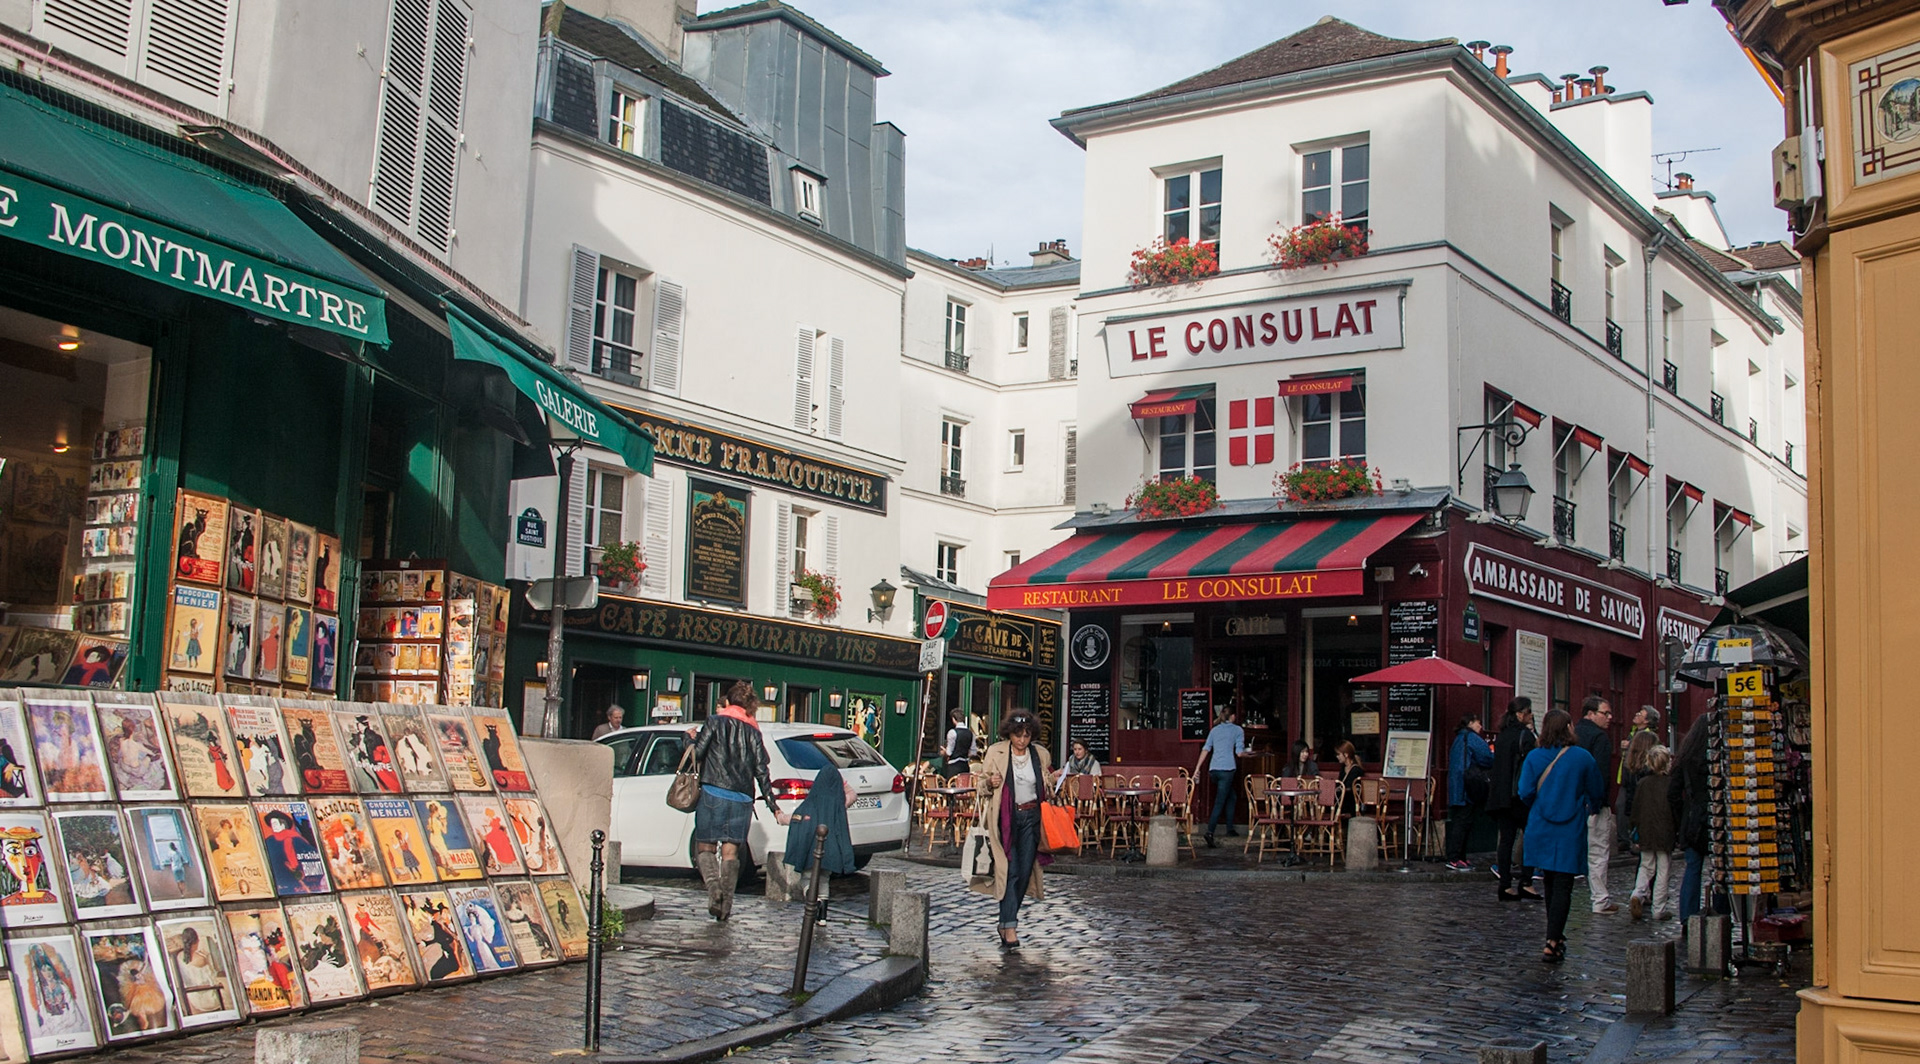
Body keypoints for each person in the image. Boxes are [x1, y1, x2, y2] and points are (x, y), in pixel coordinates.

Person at [689, 682, 790, 921]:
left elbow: (697, 753)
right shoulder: (754, 731)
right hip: (742, 799)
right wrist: (773, 805)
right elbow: (762, 771)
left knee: (705, 847)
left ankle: (714, 891)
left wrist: (688, 739)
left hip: (714, 792)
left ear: (728, 702)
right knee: (731, 853)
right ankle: (726, 906)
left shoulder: (714, 722)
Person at [1518, 709, 1607, 964]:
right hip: (1570, 825)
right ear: (1568, 727)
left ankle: (1553, 936)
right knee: (1563, 884)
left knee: (1548, 880)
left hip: (1541, 823)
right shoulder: (1582, 758)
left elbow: (1524, 791)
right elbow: (1596, 791)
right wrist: (1589, 805)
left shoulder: (1535, 757)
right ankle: (1553, 939)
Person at [971, 710, 1053, 948]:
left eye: (1027, 735)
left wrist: (1051, 780)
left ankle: (1005, 921)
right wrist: (989, 783)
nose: (1022, 740)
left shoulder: (1040, 755)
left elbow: (1045, 783)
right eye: (1018, 735)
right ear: (1009, 733)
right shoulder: (996, 752)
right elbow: (980, 785)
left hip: (1032, 818)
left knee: (1026, 871)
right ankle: (1010, 927)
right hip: (1005, 818)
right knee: (1011, 871)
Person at [782, 763, 856, 914]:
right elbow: (853, 795)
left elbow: (795, 819)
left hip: (811, 851)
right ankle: (822, 916)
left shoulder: (809, 804)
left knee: (807, 877)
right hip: (831, 851)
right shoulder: (839, 804)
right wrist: (842, 783)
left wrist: (779, 817)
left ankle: (810, 893)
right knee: (824, 880)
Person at [1488, 698, 1542, 901]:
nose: (1531, 716)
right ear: (1520, 714)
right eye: (1529, 712)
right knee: (1530, 837)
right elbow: (1531, 766)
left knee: (1506, 841)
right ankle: (1526, 882)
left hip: (1501, 796)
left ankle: (1505, 885)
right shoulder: (1525, 736)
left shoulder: (1502, 736)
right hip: (1519, 796)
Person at [1574, 696, 1619, 914]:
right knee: (1598, 852)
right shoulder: (1599, 738)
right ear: (1590, 714)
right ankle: (1600, 899)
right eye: (1605, 713)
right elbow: (1601, 774)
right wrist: (1598, 802)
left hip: (1571, 803)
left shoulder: (1572, 733)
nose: (1610, 718)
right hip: (1592, 804)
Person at [1674, 709, 1717, 928]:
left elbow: (1672, 793)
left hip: (1692, 820)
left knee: (1693, 868)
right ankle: (1721, 913)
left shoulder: (1686, 758)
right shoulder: (1719, 756)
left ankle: (1687, 917)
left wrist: (1680, 819)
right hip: (1717, 818)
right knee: (1720, 870)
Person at [1628, 745, 1677, 921]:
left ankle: (1637, 893)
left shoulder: (1643, 784)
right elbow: (1676, 809)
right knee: (1663, 870)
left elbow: (1635, 809)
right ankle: (1659, 909)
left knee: (1646, 866)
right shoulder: (1671, 784)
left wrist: (1635, 829)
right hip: (1665, 831)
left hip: (1646, 831)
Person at [1445, 716, 1494, 872]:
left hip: (1457, 786)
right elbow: (1487, 758)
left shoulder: (1459, 738)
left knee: (1460, 821)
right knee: (1463, 823)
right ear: (1470, 723)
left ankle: (1459, 857)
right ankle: (1455, 858)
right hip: (1467, 787)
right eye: (1478, 722)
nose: (1481, 725)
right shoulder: (1472, 738)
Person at [1193, 709, 1247, 848]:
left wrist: (1198, 768)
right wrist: (1251, 754)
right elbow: (1239, 753)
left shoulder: (1214, 730)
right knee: (1219, 801)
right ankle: (1210, 832)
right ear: (1233, 716)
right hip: (1227, 769)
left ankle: (1230, 828)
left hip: (1214, 770)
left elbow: (1206, 749)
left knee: (1232, 797)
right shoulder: (1238, 730)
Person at [1333, 741, 1364, 818]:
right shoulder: (1343, 768)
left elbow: (1351, 788)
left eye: (1338, 754)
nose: (1337, 757)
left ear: (1346, 754)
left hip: (1352, 803)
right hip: (1343, 800)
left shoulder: (1356, 770)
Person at [941, 708, 974, 779]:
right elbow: (973, 752)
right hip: (965, 766)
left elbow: (949, 752)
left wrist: (944, 752)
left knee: (952, 787)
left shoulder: (952, 732)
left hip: (954, 766)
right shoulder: (970, 733)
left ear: (953, 719)